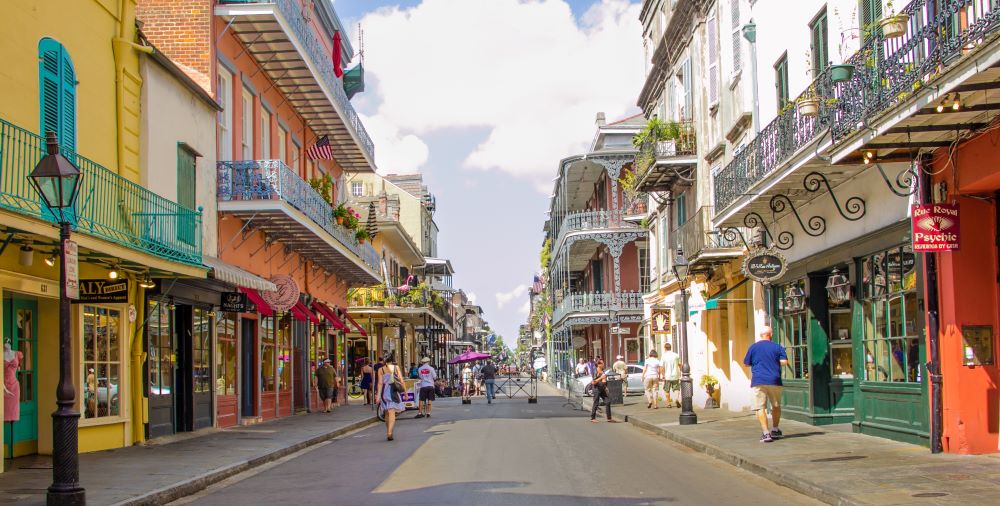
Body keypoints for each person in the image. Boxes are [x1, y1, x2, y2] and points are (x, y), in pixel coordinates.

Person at [743, 326, 788, 443]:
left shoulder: (753, 347)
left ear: (760, 335)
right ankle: (775, 429)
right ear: (771, 334)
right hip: (774, 379)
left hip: (758, 380)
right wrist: (774, 361)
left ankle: (766, 433)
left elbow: (746, 363)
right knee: (776, 405)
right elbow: (784, 362)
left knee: (760, 407)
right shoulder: (778, 347)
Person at [375, 352, 407, 441]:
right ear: (393, 359)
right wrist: (405, 393)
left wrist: (378, 396)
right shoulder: (396, 368)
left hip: (384, 393)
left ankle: (389, 431)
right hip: (393, 392)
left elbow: (380, 383)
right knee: (392, 412)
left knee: (386, 413)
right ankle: (390, 432)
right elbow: (401, 381)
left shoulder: (380, 370)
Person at [662, 343, 681, 407]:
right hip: (676, 375)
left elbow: (662, 366)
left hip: (667, 376)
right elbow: (680, 364)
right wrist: (681, 371)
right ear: (671, 347)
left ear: (665, 348)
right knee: (676, 389)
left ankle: (668, 403)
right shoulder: (676, 355)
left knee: (667, 390)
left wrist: (663, 374)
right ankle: (676, 399)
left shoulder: (664, 356)